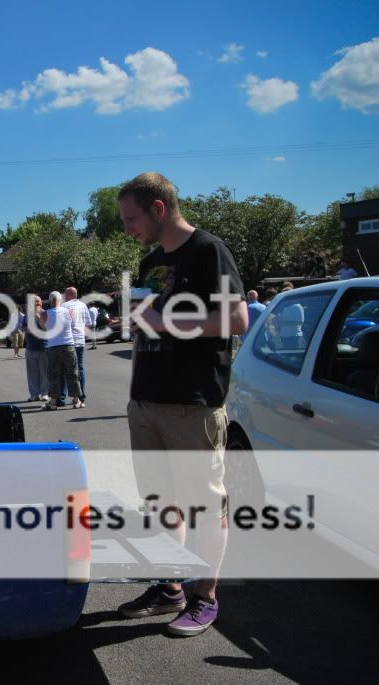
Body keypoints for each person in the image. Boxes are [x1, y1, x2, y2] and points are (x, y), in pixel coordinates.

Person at [116, 172, 248, 637]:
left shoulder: (208, 250)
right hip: (147, 401)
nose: (127, 228)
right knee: (161, 504)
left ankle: (204, 597)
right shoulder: (153, 260)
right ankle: (170, 585)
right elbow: (146, 318)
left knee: (205, 508)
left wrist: (162, 320)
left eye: (131, 218)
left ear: (158, 208)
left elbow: (236, 320)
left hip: (193, 405)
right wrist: (136, 322)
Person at [38, 291, 83, 410]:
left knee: (54, 374)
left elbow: (43, 327)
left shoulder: (45, 314)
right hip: (68, 345)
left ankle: (53, 402)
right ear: (60, 300)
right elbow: (71, 324)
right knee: (73, 372)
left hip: (52, 346)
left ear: (50, 301)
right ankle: (76, 400)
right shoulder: (69, 312)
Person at [61, 287, 93, 403]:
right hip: (80, 341)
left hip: (68, 341)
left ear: (69, 295)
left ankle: (63, 397)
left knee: (65, 368)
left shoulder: (64, 306)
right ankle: (81, 395)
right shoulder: (83, 305)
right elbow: (89, 324)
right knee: (79, 367)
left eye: (65, 294)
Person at [24, 295, 49, 402]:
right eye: (33, 302)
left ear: (41, 303)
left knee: (45, 373)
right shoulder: (27, 315)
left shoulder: (45, 313)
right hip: (31, 347)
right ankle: (34, 394)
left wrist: (38, 316)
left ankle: (44, 394)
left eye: (37, 301)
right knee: (32, 373)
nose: (35, 304)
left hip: (44, 347)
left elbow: (46, 328)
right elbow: (23, 328)